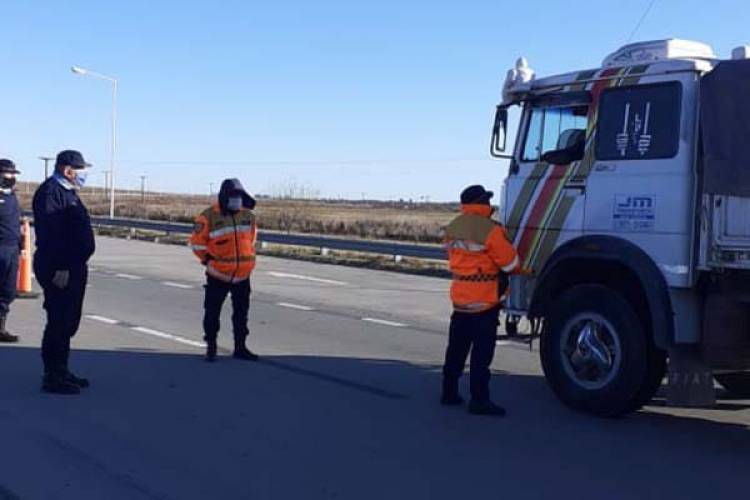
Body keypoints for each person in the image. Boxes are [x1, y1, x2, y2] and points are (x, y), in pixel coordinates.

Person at [441, 184, 521, 416]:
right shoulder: (491, 230)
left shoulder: (453, 227)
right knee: (481, 355)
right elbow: (510, 264)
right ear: (481, 204)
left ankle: (449, 392)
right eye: (486, 201)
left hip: (460, 300)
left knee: (455, 349)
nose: (490, 205)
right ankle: (479, 401)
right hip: (485, 302)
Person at [32, 150, 95, 395]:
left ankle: (62, 369)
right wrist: (61, 267)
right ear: (67, 170)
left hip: (73, 266)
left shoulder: (68, 193)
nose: (83, 174)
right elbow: (51, 234)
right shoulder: (51, 193)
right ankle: (52, 376)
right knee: (58, 321)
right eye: (80, 170)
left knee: (69, 321)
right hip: (59, 267)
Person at [190, 179, 259, 362]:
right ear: (224, 197)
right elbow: (197, 243)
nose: (236, 201)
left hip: (242, 275)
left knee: (241, 313)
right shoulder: (209, 216)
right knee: (212, 312)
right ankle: (211, 345)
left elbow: (251, 240)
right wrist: (208, 260)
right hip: (218, 274)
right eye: (232, 197)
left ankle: (240, 347)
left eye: (238, 197)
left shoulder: (248, 216)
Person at [0, 159, 22, 343]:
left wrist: (20, 245)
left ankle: (1, 327)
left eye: (13, 174)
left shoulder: (11, 196)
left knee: (8, 291)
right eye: (8, 173)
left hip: (11, 248)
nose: (12, 177)